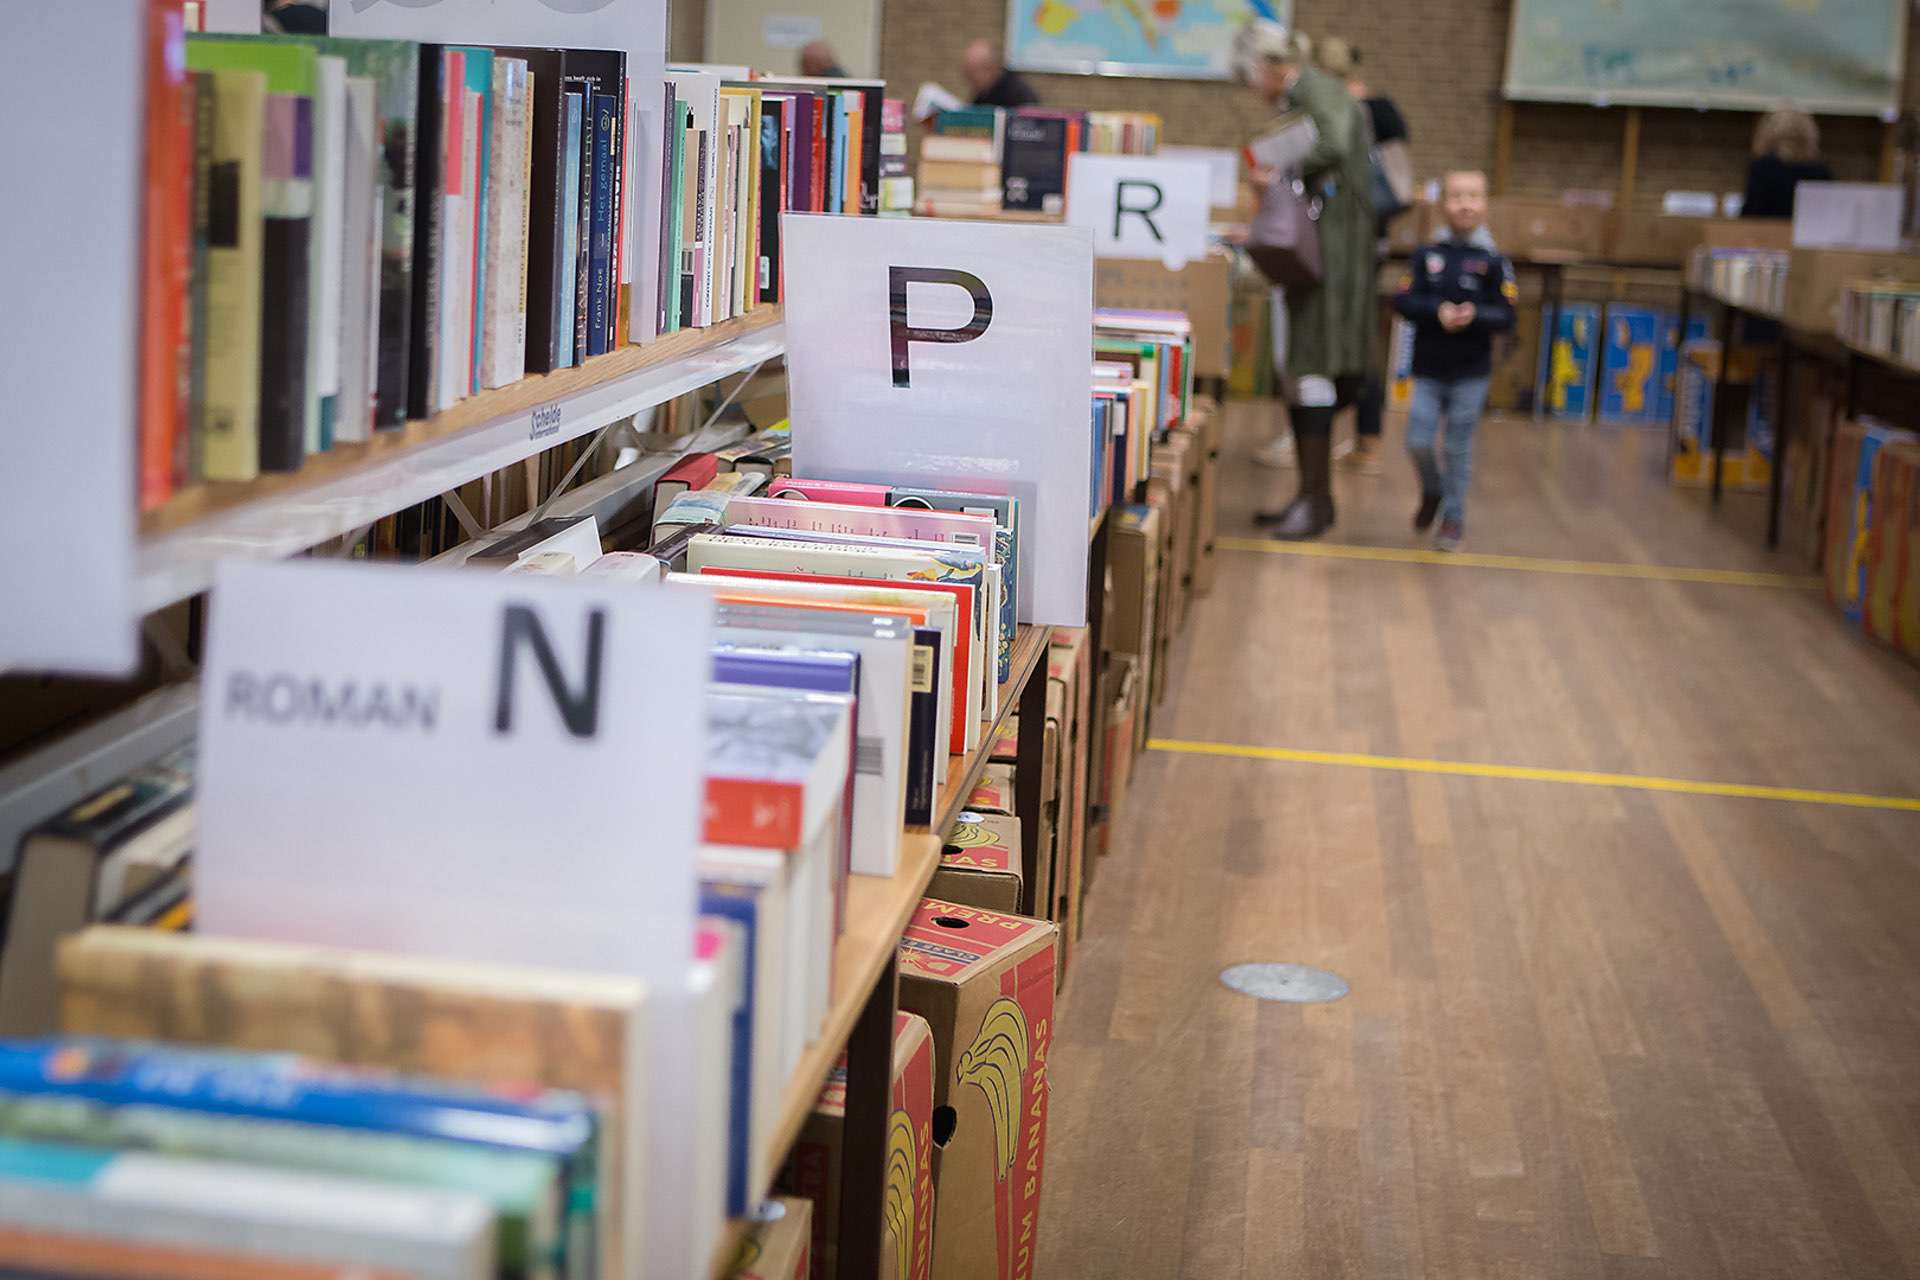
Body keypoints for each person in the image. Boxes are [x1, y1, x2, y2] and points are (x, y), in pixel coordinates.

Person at [1236, 20, 1376, 539]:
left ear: (1270, 67)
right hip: (1323, 250)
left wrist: (1277, 170)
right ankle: (1309, 497)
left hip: (1328, 255)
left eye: (1251, 77)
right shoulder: (1311, 94)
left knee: (1311, 362)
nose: (1253, 89)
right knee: (1300, 367)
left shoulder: (1317, 88)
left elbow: (1335, 142)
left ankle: (1316, 502)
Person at [1393, 170, 1516, 552]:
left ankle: (1453, 519)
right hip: (1428, 369)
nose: (1465, 203)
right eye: (1457, 196)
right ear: (1442, 203)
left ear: (1485, 204)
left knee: (1458, 448)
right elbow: (1403, 302)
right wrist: (1437, 311)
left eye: (1474, 196)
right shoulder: (1426, 255)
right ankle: (1433, 491)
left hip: (1471, 373)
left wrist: (1473, 316)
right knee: (1417, 441)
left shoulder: (1494, 260)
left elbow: (1507, 314)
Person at [1320, 36, 1410, 477]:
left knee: (1349, 342)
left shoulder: (1359, 110)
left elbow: (1394, 183)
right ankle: (1349, 434)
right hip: (1344, 242)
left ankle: (1356, 434)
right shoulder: (1375, 109)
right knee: (1344, 340)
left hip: (1353, 244)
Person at [1742, 107, 1831, 219]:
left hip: (1767, 233)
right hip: (1809, 235)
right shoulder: (1820, 170)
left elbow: (1751, 213)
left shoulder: (1763, 167)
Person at [961, 39, 1040, 109]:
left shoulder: (1018, 94)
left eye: (972, 75)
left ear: (991, 68)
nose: (969, 81)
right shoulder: (983, 95)